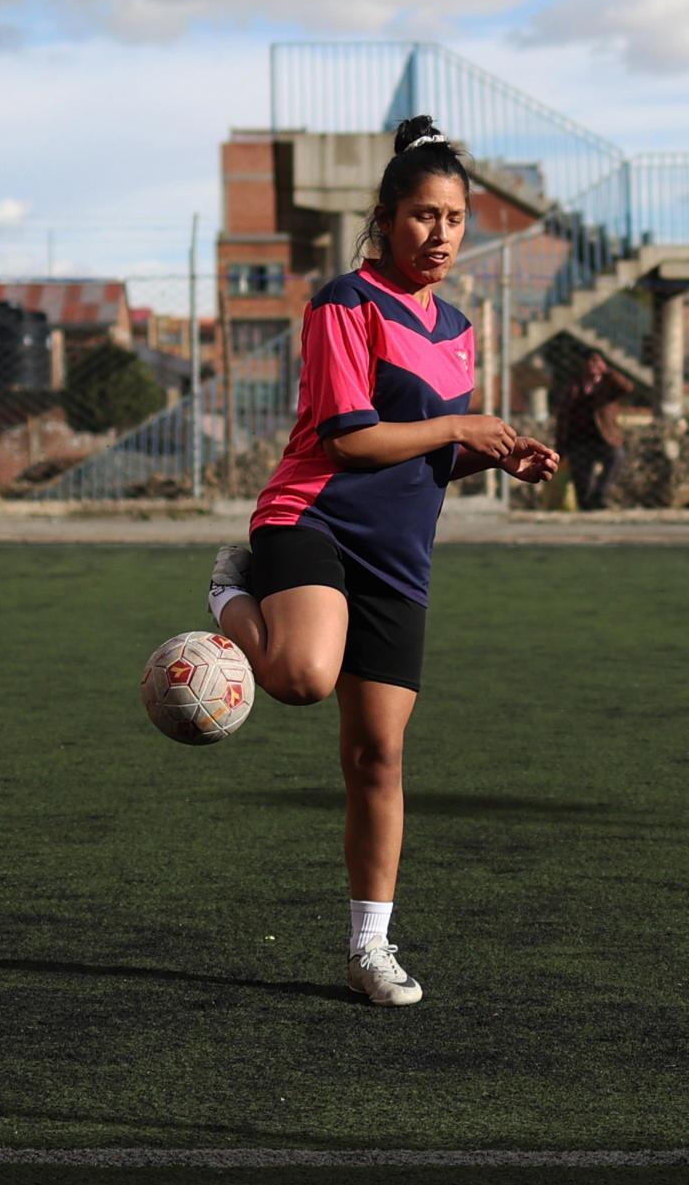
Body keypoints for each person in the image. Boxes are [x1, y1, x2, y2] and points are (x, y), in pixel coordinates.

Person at [202, 117, 559, 1007]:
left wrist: (496, 453)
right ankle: (231, 585)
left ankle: (370, 947)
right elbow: (355, 441)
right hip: (314, 515)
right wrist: (460, 426)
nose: (439, 235)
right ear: (386, 218)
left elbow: (427, 454)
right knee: (299, 678)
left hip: (400, 551)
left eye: (454, 219)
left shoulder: (459, 326)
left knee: (378, 759)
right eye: (421, 216)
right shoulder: (343, 302)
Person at [554, 350, 632, 510]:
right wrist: (561, 443)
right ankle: (589, 506)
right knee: (583, 485)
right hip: (579, 439)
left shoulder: (608, 384)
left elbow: (627, 388)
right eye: (590, 361)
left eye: (597, 361)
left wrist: (608, 372)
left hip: (604, 437)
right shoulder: (574, 386)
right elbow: (563, 415)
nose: (593, 365)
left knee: (616, 456)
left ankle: (600, 494)